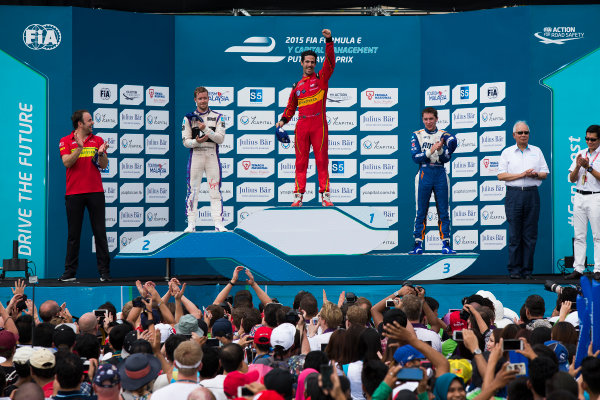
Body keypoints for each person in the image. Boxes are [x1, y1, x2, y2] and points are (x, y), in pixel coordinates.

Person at [276, 28, 335, 207]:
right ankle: (298, 196)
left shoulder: (322, 78)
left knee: (322, 160)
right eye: (307, 62)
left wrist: (329, 41)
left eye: (313, 62)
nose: (310, 64)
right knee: (300, 162)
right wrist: (282, 120)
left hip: (319, 125)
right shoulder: (297, 86)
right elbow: (291, 107)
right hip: (302, 126)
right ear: (301, 63)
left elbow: (331, 62)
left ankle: (325, 195)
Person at [58, 109, 111, 282]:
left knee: (100, 233)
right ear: (80, 123)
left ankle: (104, 272)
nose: (92, 123)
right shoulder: (66, 140)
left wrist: (101, 153)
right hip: (74, 193)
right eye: (89, 120)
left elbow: (103, 165)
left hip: (96, 192)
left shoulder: (98, 140)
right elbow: (67, 162)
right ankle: (69, 273)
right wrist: (79, 148)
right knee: (74, 235)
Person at [497, 121, 549, 279]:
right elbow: (501, 176)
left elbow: (545, 173)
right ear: (514, 135)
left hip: (532, 194)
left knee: (530, 235)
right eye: (520, 133)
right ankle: (514, 270)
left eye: (526, 132)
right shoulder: (507, 152)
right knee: (514, 235)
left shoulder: (537, 151)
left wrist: (535, 175)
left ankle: (527, 271)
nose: (523, 135)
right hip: (514, 195)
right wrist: (522, 174)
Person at [409, 107, 457, 255]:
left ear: (436, 119)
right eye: (425, 119)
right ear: (423, 120)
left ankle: (446, 244)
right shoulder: (417, 135)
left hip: (440, 172)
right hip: (424, 172)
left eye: (431, 119)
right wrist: (431, 150)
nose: (428, 122)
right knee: (421, 210)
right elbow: (415, 157)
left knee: (443, 210)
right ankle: (417, 244)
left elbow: (447, 157)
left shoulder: (443, 134)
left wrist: (441, 149)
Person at [182, 86, 227, 233]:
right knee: (193, 191)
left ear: (208, 98)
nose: (203, 101)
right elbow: (185, 142)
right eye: (200, 98)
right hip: (196, 156)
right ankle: (191, 224)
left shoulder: (218, 116)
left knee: (215, 191)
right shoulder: (188, 118)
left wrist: (206, 129)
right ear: (195, 100)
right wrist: (197, 142)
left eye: (205, 98)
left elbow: (220, 139)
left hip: (212, 156)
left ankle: (218, 224)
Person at [567, 125, 600, 280]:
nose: (589, 141)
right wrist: (578, 166)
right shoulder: (580, 153)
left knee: (597, 235)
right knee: (579, 235)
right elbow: (572, 179)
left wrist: (589, 168)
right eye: (587, 138)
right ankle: (578, 268)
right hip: (579, 195)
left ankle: (598, 269)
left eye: (592, 139)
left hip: (596, 196)